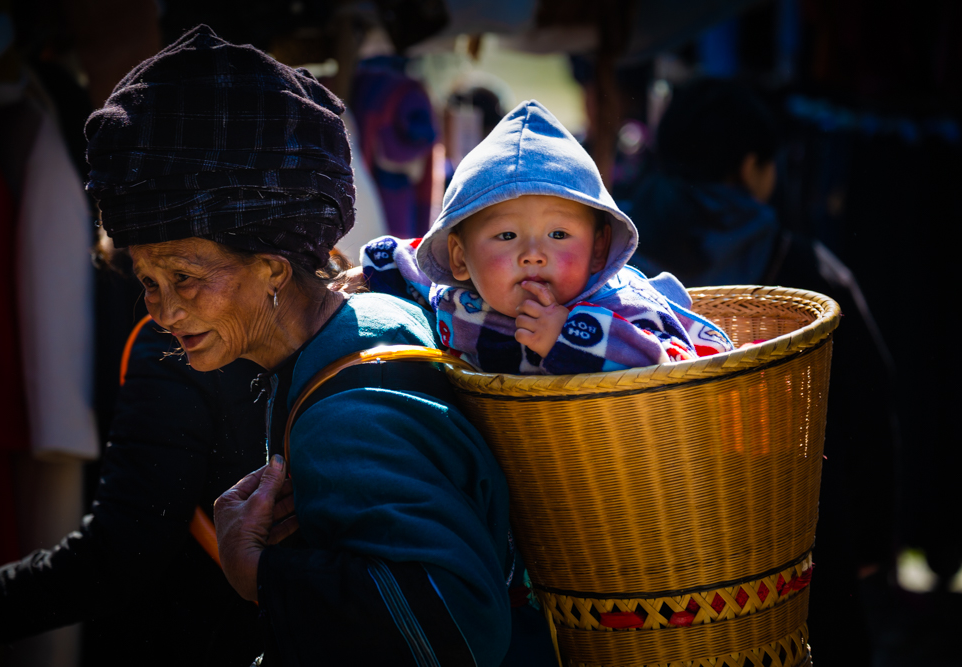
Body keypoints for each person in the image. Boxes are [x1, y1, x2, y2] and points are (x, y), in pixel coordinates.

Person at [0, 25, 530, 667]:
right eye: (147, 282)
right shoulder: (368, 316)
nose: (163, 311)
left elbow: (454, 625)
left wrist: (256, 576)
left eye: (185, 278)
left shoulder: (346, 415)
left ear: (273, 267)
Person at [626, 77, 898, 667]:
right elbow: (867, 411)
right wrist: (871, 541)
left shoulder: (608, 262)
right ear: (751, 166)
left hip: (648, 543)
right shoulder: (809, 275)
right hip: (795, 544)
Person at [361, 100, 733, 375]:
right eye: (506, 235)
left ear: (598, 248)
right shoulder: (462, 299)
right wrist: (371, 269)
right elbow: (411, 267)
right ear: (460, 259)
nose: (533, 255)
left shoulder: (621, 307)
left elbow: (678, 366)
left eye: (559, 234)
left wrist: (568, 336)